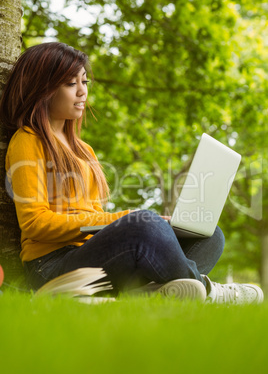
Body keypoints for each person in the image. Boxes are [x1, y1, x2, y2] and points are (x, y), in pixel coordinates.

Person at [0, 42, 263, 304]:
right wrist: (127, 221)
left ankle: (149, 291)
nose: (82, 92)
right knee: (143, 224)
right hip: (51, 268)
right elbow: (34, 223)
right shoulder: (28, 140)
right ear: (43, 88)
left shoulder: (83, 150)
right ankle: (208, 291)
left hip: (96, 256)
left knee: (208, 233)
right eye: (71, 84)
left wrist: (152, 224)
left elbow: (91, 215)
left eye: (85, 81)